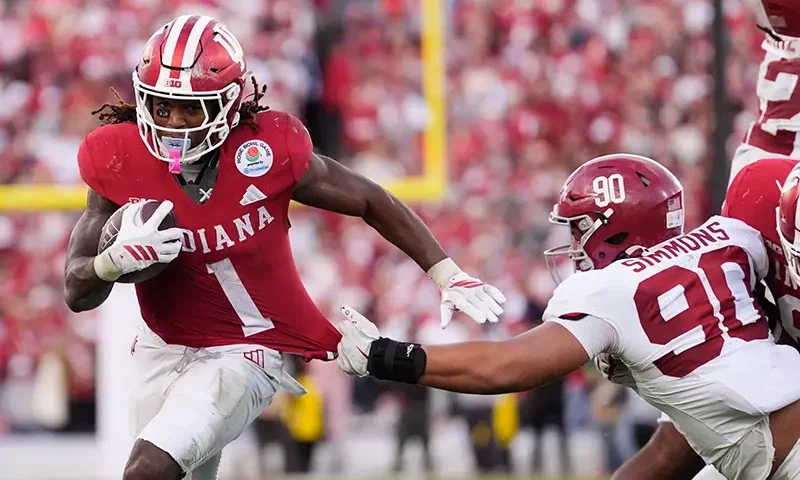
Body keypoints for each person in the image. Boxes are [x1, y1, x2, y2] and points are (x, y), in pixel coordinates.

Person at [62, 15, 506, 480]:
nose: (173, 123)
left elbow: (370, 199)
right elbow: (76, 291)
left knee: (146, 470)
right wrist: (110, 263)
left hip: (248, 350)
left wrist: (445, 272)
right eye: (162, 105)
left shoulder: (265, 151)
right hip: (162, 347)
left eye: (190, 109)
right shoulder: (117, 157)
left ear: (229, 103)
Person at [335, 154, 800, 480]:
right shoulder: (729, 239)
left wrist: (385, 356)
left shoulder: (610, 290)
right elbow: (670, 453)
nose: (574, 247)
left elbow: (507, 366)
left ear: (614, 229)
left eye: (579, 229)